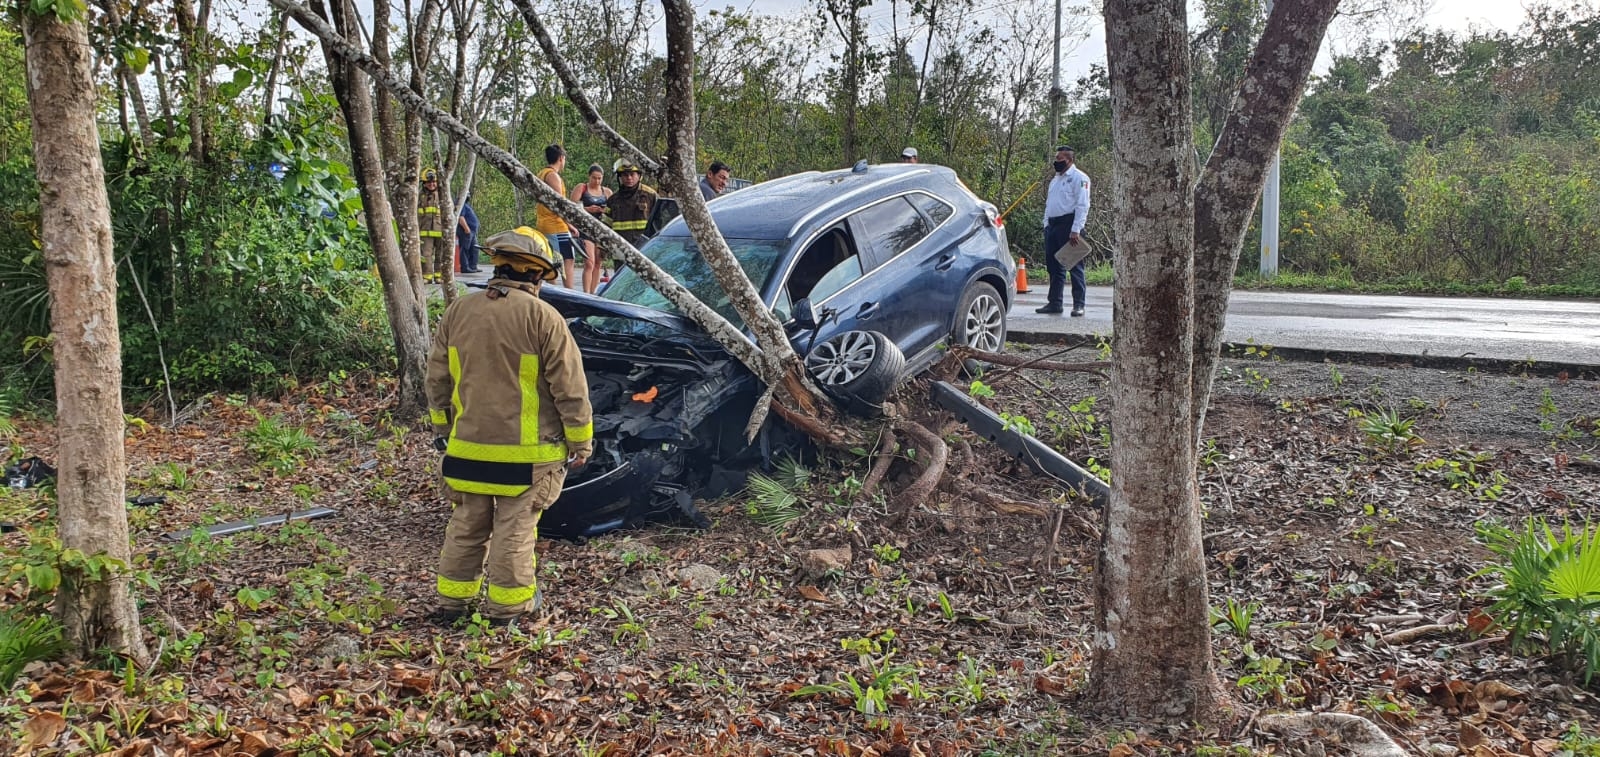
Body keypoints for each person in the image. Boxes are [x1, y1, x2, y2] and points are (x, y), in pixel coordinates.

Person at [426, 226, 593, 629]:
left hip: (466, 451)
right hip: (527, 459)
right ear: (536, 275)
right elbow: (569, 388)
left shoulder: (458, 312)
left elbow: (437, 380)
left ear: (499, 266)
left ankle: (452, 605)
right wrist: (581, 442)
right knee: (514, 532)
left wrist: (443, 428)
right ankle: (507, 610)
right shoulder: (544, 318)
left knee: (466, 527)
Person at [1036, 145, 1092, 317]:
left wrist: (1076, 229)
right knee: (1054, 266)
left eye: (1059, 159)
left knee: (1074, 265)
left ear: (1069, 160)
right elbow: (1050, 204)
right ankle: (1055, 302)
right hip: (1052, 226)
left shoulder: (1079, 178)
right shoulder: (1055, 180)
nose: (1056, 162)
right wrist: (1046, 224)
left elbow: (1082, 204)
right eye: (1056, 159)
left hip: (1069, 225)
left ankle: (1078, 304)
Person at [535, 144, 584, 287]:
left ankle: (553, 290)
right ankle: (568, 293)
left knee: (550, 260)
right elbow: (560, 205)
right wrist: (569, 225)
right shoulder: (553, 176)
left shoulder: (541, 173)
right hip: (556, 226)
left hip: (544, 223)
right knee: (567, 260)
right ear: (561, 158)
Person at [570, 163, 612, 292]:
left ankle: (593, 292)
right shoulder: (581, 188)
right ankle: (586, 292)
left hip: (601, 229)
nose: (597, 181)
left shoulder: (607, 192)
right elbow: (571, 207)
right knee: (589, 262)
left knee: (598, 262)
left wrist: (604, 210)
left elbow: (613, 210)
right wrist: (587, 209)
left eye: (599, 178)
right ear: (589, 177)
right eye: (594, 178)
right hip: (585, 229)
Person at [608, 159, 657, 250]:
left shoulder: (650, 195)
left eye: (632, 174)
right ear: (620, 178)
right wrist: (602, 247)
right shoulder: (613, 200)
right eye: (625, 175)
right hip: (620, 248)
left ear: (639, 176)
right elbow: (606, 225)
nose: (629, 178)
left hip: (645, 247)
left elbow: (660, 222)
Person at [418, 168, 446, 278]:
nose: (432, 184)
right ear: (424, 183)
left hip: (441, 231)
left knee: (441, 254)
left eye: (434, 182)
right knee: (426, 255)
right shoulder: (419, 196)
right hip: (425, 232)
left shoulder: (443, 195)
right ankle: (427, 276)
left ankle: (439, 276)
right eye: (429, 182)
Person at [456, 198, 480, 273]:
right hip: (466, 231)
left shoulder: (466, 205)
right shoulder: (461, 206)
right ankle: (465, 267)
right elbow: (461, 218)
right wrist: (467, 229)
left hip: (472, 231)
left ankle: (473, 266)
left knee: (474, 249)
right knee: (465, 249)